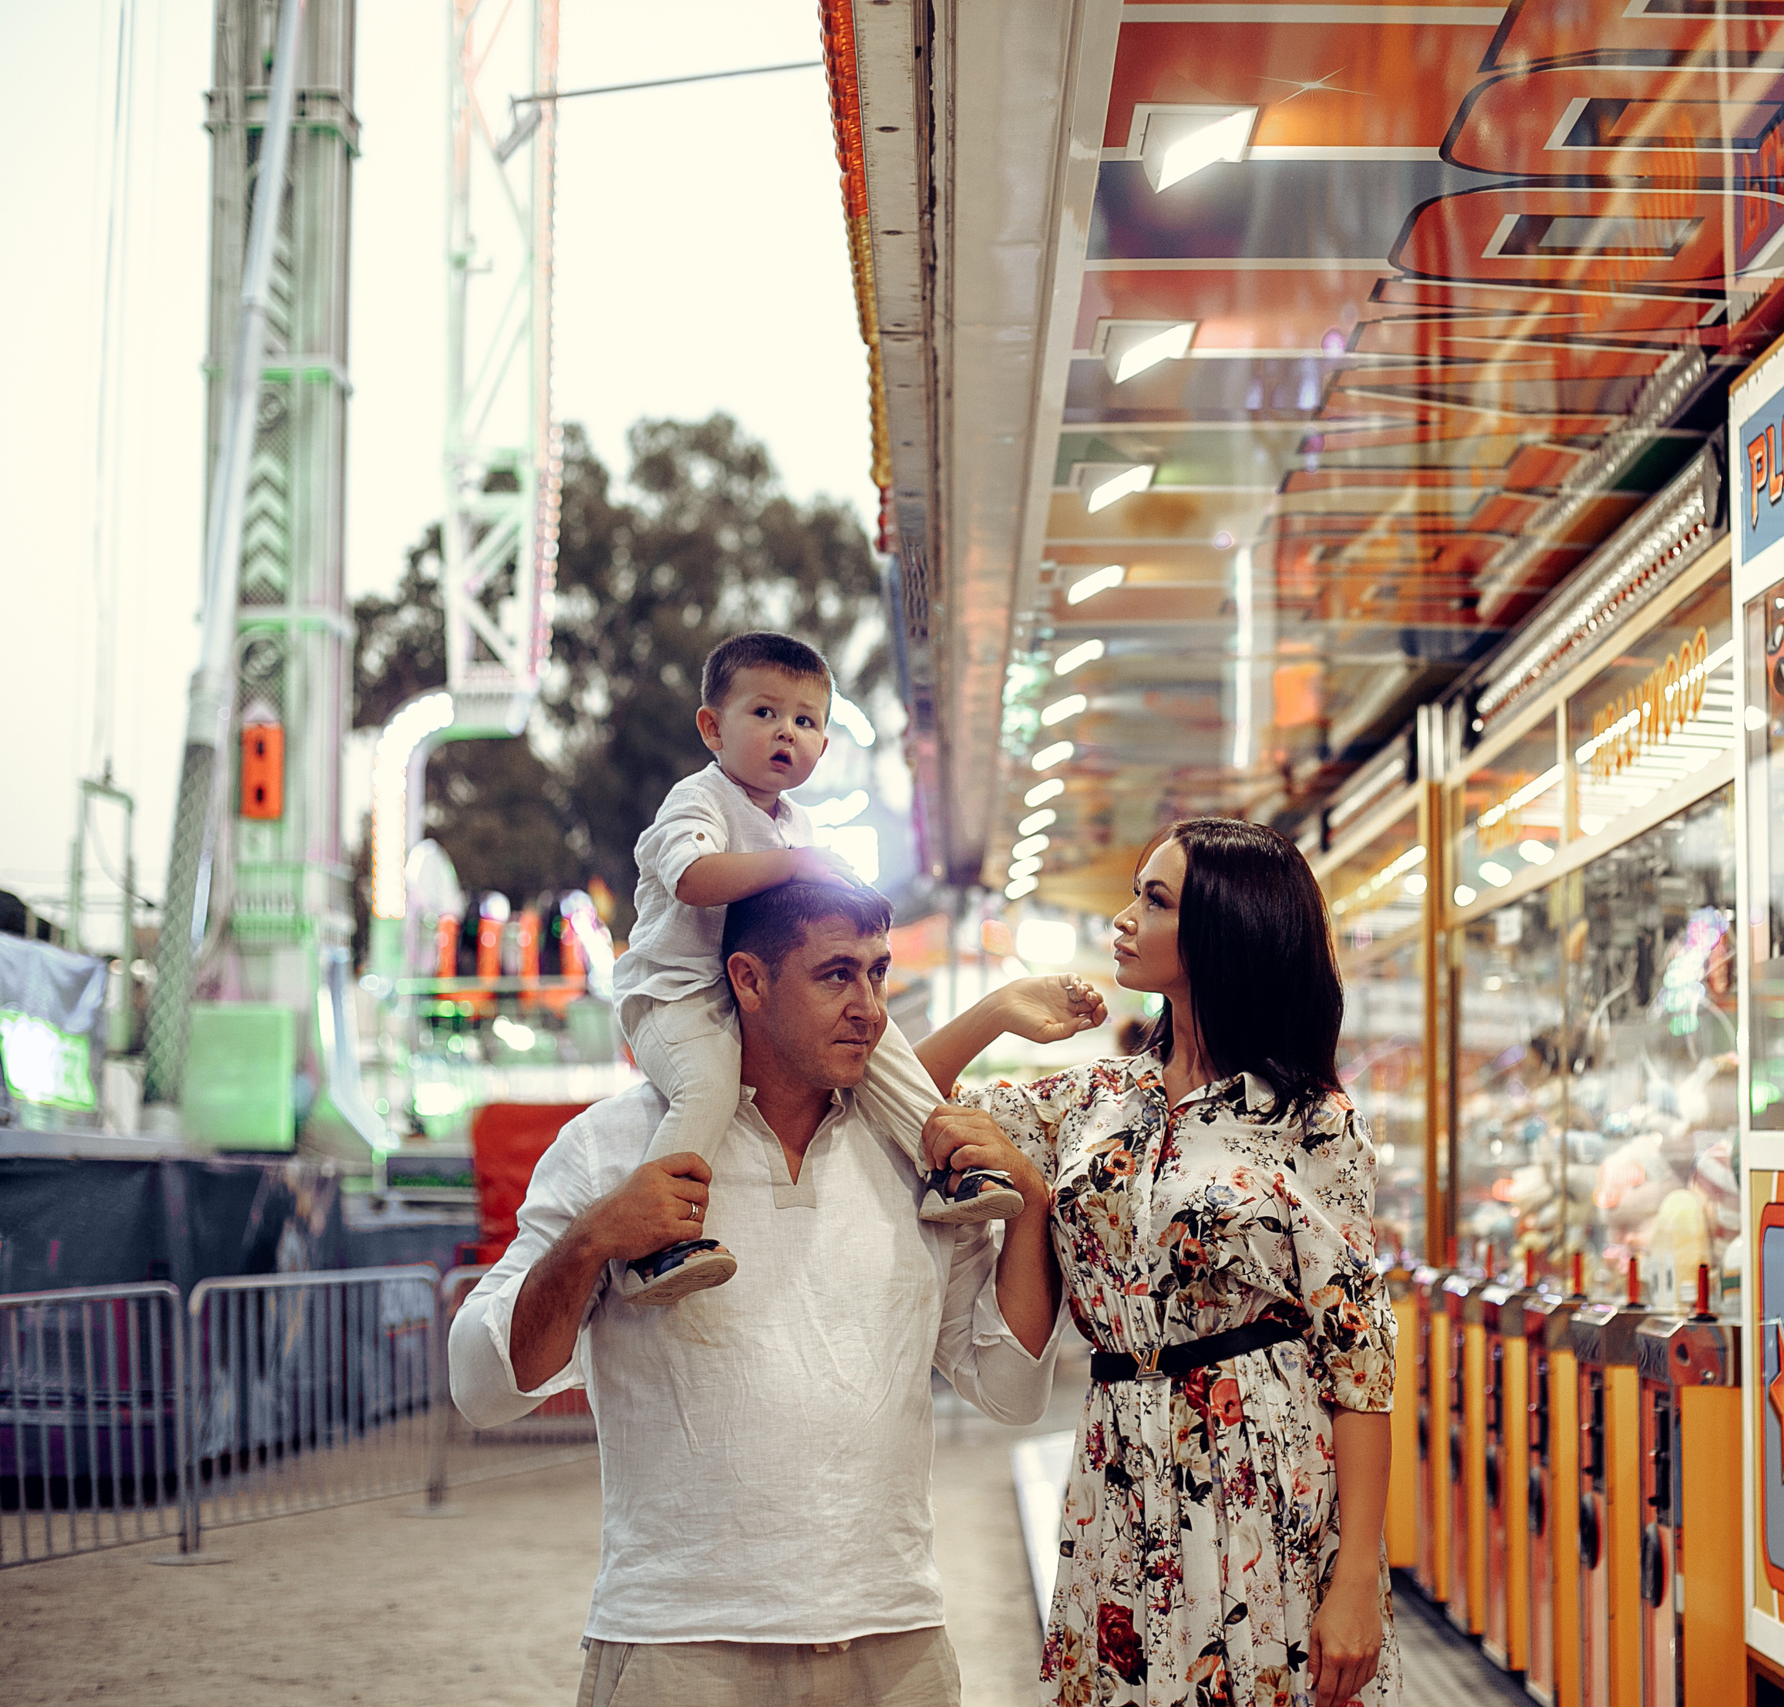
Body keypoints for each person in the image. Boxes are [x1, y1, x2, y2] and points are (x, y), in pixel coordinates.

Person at [450, 878, 1103, 1707]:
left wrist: (1033, 1206)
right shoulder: (615, 1147)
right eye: (835, 974)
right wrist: (592, 1240)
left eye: (877, 971)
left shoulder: (916, 1155)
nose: (868, 1004)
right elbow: (479, 1386)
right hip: (679, 1644)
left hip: (894, 1642)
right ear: (749, 980)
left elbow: (1011, 1389)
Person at [948, 818, 1399, 1707]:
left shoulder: (1311, 1121)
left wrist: (1353, 1579)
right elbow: (897, 1096)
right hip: (1119, 1467)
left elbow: (1358, 1358)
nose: (1124, 918)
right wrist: (1000, 1009)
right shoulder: (1095, 1098)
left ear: (1221, 934)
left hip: (1263, 1477)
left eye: (1153, 900)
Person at [611, 632, 1055, 1306]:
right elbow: (694, 878)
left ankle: (943, 1166)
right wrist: (797, 863)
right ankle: (650, 1240)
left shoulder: (799, 824)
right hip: (675, 996)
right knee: (706, 1087)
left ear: (823, 744)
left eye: (806, 720)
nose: (785, 731)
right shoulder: (698, 801)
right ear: (712, 727)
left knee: (879, 1043)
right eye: (764, 713)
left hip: (755, 996)